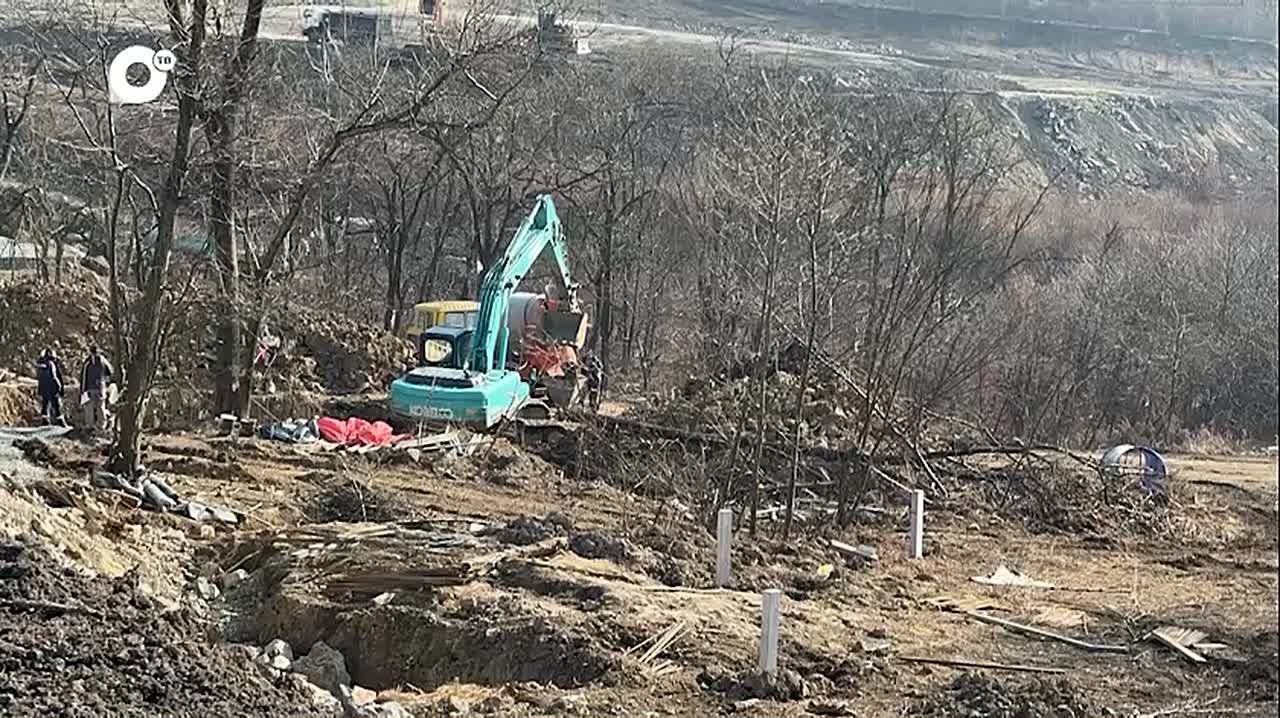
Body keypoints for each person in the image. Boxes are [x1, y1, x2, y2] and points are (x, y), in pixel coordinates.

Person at [80, 346, 114, 434]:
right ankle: (101, 426)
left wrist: (82, 390)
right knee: (101, 407)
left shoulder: (87, 362)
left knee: (89, 407)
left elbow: (83, 377)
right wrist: (104, 378)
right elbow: (110, 371)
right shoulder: (103, 360)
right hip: (101, 387)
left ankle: (89, 426)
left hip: (89, 388)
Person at [34, 348, 67, 426]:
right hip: (52, 388)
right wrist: (59, 386)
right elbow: (54, 376)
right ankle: (60, 422)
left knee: (45, 404)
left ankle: (45, 421)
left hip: (43, 388)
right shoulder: (51, 364)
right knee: (56, 405)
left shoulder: (40, 365)